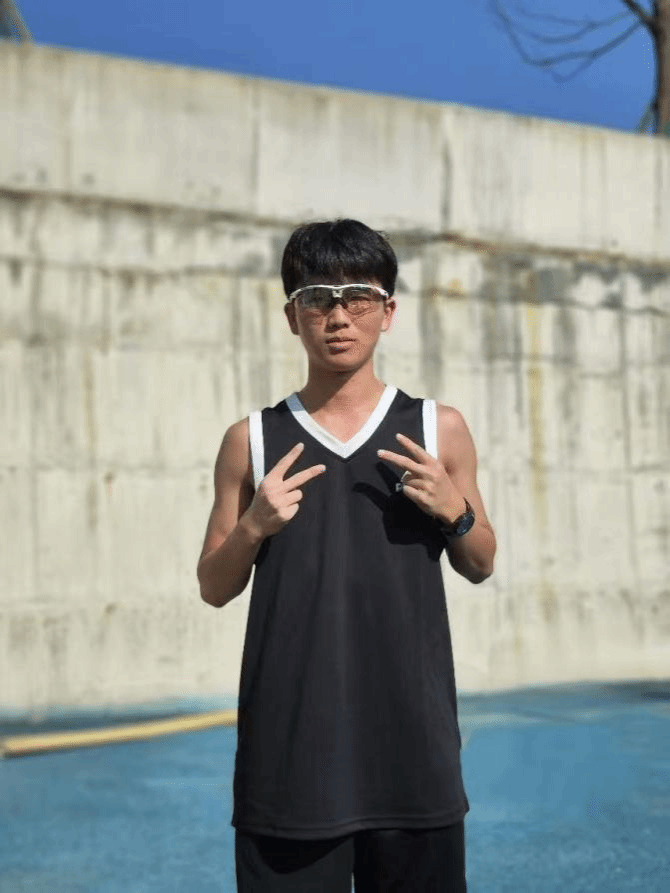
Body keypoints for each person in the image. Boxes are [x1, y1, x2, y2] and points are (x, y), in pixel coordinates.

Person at [197, 219, 496, 892]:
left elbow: (481, 561)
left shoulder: (438, 428)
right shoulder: (251, 439)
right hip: (289, 760)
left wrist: (454, 509)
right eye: (318, 298)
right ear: (291, 315)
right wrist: (253, 527)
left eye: (358, 296)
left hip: (413, 754)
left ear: (387, 312)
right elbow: (214, 585)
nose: (338, 316)